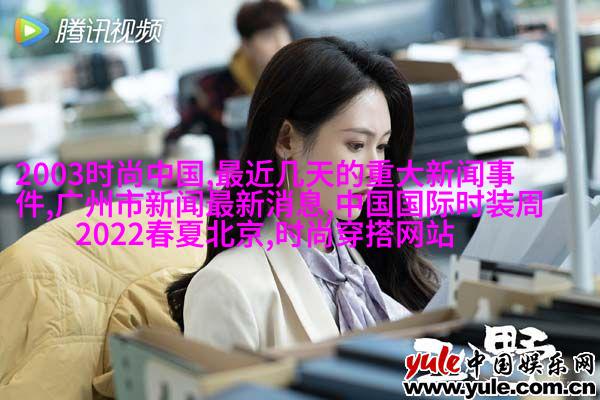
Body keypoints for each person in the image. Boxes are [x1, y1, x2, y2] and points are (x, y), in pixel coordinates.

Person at [166, 37, 440, 352]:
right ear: (286, 140)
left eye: (381, 147)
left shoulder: (370, 262)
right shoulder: (227, 287)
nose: (374, 169)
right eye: (356, 145)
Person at [165, 0, 292, 165]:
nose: (281, 44)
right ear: (246, 45)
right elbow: (176, 138)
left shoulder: (298, 80)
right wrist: (177, 159)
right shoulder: (214, 88)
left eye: (284, 33)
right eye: (268, 37)